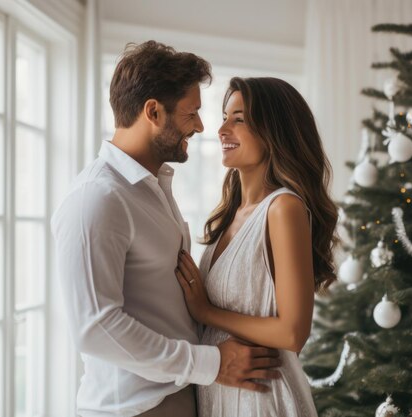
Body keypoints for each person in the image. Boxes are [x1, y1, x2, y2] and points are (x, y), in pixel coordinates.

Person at [51, 42, 282, 417]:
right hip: (134, 408)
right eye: (192, 113)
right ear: (154, 112)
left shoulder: (150, 186)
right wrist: (212, 364)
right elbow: (95, 327)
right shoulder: (97, 197)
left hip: (176, 396)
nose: (202, 126)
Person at [175, 77, 339, 417]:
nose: (221, 129)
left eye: (239, 119)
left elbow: (293, 333)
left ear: (274, 132)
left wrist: (205, 311)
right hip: (220, 397)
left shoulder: (283, 209)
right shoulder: (231, 216)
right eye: (224, 116)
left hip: (263, 400)